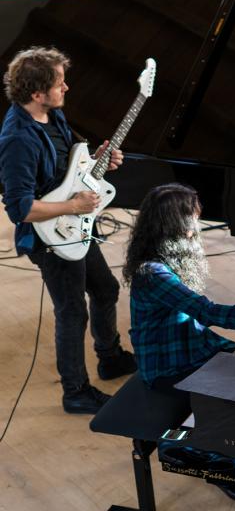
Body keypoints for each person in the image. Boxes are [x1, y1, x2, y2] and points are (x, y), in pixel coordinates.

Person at [0, 46, 135, 415]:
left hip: (74, 224)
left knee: (105, 289)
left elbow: (73, 161)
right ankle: (75, 392)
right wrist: (73, 206)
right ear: (36, 93)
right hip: (49, 238)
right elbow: (21, 208)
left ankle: (109, 358)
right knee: (72, 312)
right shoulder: (17, 140)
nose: (67, 88)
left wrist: (103, 160)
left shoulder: (52, 116)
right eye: (60, 83)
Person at [122, 183, 235, 394]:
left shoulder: (160, 253)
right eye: (193, 219)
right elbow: (206, 311)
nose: (197, 226)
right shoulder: (153, 274)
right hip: (169, 367)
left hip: (191, 343)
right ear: (178, 224)